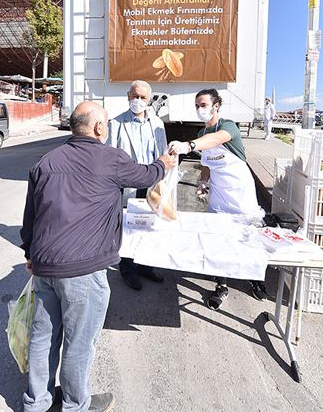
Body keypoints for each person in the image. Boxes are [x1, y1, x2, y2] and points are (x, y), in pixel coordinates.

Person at [21, 101, 176, 412]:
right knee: (79, 342)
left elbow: (31, 218)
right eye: (105, 122)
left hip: (43, 266)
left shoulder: (46, 162)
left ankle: (36, 403)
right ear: (99, 128)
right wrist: (163, 163)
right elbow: (145, 177)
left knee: (43, 337)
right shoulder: (110, 158)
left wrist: (30, 253)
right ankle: (76, 404)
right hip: (83, 269)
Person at [168, 89, 267, 310]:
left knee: (247, 237)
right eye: (197, 105)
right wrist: (204, 181)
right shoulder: (204, 130)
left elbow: (217, 139)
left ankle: (255, 278)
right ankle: (221, 285)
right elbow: (206, 161)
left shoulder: (227, 126)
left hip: (240, 192)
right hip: (219, 193)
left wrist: (189, 145)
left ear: (216, 105)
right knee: (219, 240)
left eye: (203, 104)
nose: (199, 109)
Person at [106, 80, 168, 290]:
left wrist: (163, 181)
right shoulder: (116, 123)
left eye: (143, 98)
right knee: (129, 228)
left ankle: (145, 266)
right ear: (128, 96)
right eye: (135, 96)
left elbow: (163, 154)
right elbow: (109, 158)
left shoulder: (157, 123)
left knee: (149, 225)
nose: (138, 101)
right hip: (128, 185)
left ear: (149, 99)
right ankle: (128, 269)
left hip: (151, 183)